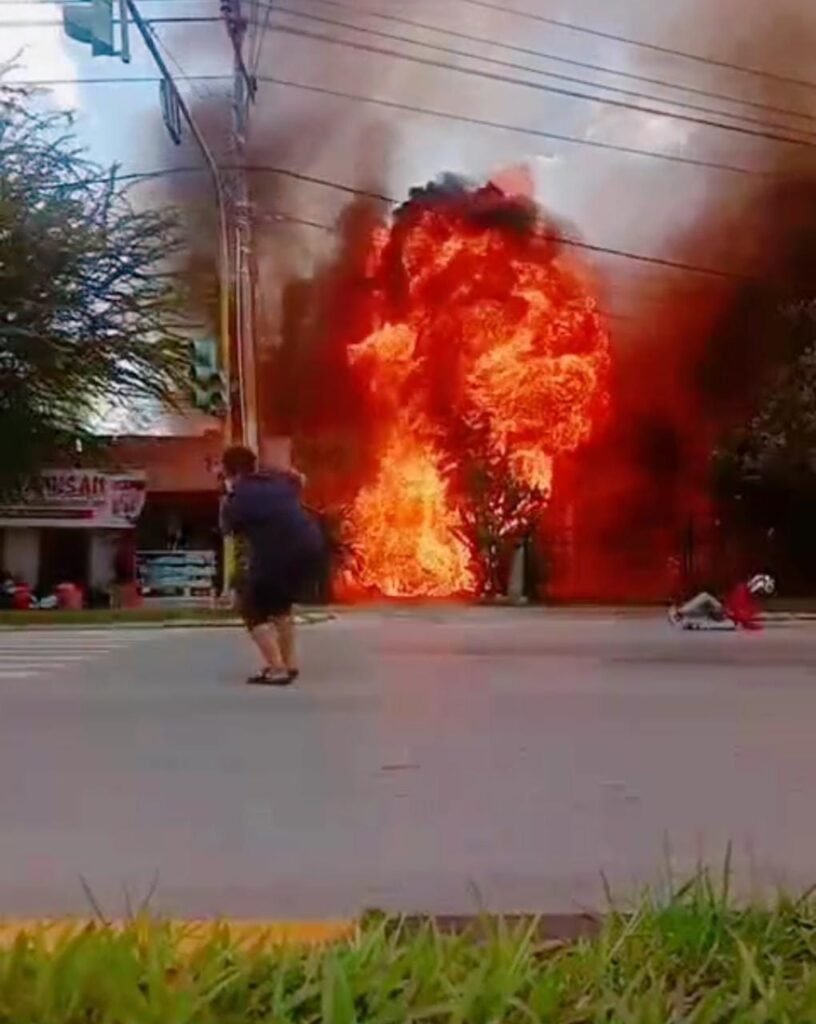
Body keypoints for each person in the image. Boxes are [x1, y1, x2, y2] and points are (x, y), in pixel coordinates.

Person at [220, 445, 323, 686]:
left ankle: (277, 669)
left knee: (251, 609)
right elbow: (300, 478)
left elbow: (230, 544)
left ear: (228, 471)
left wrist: (227, 586)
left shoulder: (236, 500)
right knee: (280, 606)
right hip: (310, 544)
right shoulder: (278, 479)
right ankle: (289, 664)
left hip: (279, 551)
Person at [668, 573, 775, 631]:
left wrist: (751, 624)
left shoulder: (751, 597)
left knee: (705, 598)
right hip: (725, 613)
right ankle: (682, 615)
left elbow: (745, 617)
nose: (761, 594)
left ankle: (680, 615)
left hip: (727, 616)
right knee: (705, 602)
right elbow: (740, 613)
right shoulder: (742, 590)